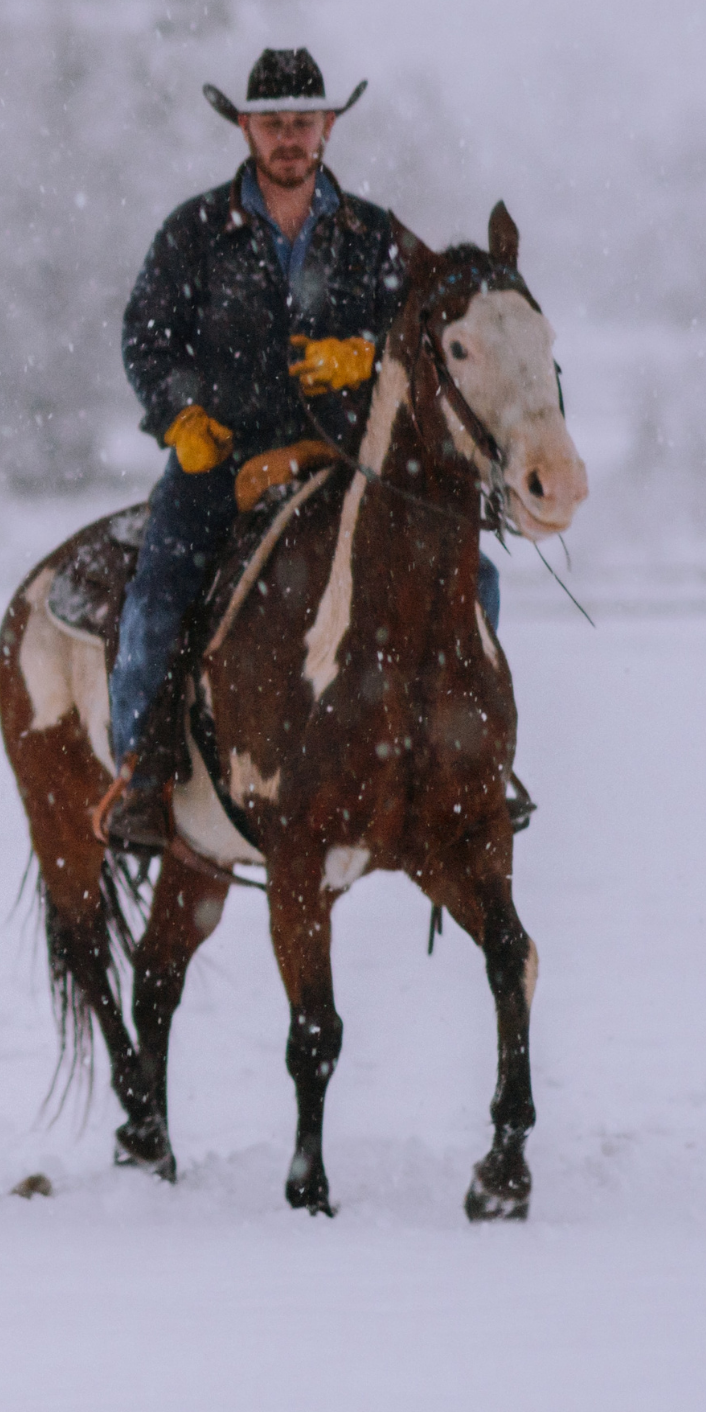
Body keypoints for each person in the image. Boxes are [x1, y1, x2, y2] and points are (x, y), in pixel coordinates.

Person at [98, 46, 497, 855]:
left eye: (303, 123)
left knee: (473, 574)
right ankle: (142, 773)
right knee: (161, 584)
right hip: (225, 457)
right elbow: (147, 337)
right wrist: (182, 418)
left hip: (343, 456)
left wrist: (366, 355)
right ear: (245, 128)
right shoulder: (197, 231)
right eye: (274, 124)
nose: (289, 137)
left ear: (328, 128)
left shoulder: (375, 234)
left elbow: (424, 337)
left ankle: (461, 753)